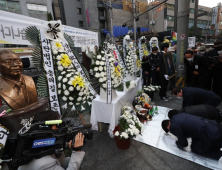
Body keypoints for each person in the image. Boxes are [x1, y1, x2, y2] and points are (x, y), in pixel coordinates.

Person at [17, 110, 85, 170]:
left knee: (68, 160)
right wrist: (76, 150)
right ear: (46, 132)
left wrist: (66, 143)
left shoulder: (37, 142)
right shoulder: (45, 163)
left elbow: (62, 160)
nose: (59, 129)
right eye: (57, 126)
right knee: (74, 160)